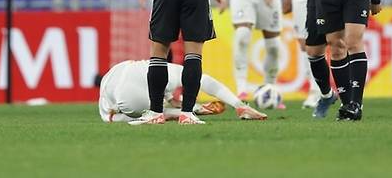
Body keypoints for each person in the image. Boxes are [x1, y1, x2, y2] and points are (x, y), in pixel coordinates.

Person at [98, 60, 267, 123]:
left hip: (118, 105)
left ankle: (185, 111)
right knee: (159, 105)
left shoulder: (111, 81)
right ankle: (239, 106)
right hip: (136, 89)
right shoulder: (166, 69)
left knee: (154, 109)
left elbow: (112, 118)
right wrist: (237, 104)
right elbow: (204, 80)